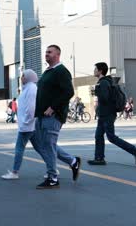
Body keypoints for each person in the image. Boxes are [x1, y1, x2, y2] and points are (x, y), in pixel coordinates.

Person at [33, 45, 81, 189]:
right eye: (46, 52)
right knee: (45, 145)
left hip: (53, 116)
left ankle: (53, 178)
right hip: (41, 116)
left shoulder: (61, 71)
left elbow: (68, 92)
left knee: (48, 146)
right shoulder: (49, 71)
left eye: (49, 52)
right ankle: (73, 162)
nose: (46, 54)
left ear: (58, 54)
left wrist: (53, 107)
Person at [88, 62, 136, 166]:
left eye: (95, 69)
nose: (94, 71)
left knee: (111, 137)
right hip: (105, 114)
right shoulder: (106, 81)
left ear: (100, 71)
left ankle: (134, 150)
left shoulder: (103, 83)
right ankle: (99, 158)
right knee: (98, 136)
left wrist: (96, 92)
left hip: (107, 114)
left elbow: (105, 98)